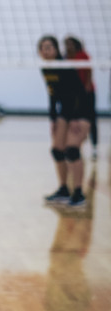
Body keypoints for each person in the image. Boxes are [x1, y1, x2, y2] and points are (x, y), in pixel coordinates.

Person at [38, 35, 91, 208]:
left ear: (56, 49)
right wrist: (53, 119)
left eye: (49, 47)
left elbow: (79, 92)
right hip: (65, 112)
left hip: (81, 109)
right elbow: (52, 95)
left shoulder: (65, 66)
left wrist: (76, 118)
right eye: (43, 48)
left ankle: (78, 193)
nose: (46, 50)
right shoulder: (46, 68)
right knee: (57, 150)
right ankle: (63, 190)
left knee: (72, 149)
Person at [64, 36, 98, 160]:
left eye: (71, 43)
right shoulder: (65, 57)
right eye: (66, 44)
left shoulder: (83, 55)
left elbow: (89, 71)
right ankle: (76, 145)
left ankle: (94, 147)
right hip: (74, 94)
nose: (69, 46)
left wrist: (87, 87)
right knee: (75, 120)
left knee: (91, 119)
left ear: (76, 44)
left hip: (87, 92)